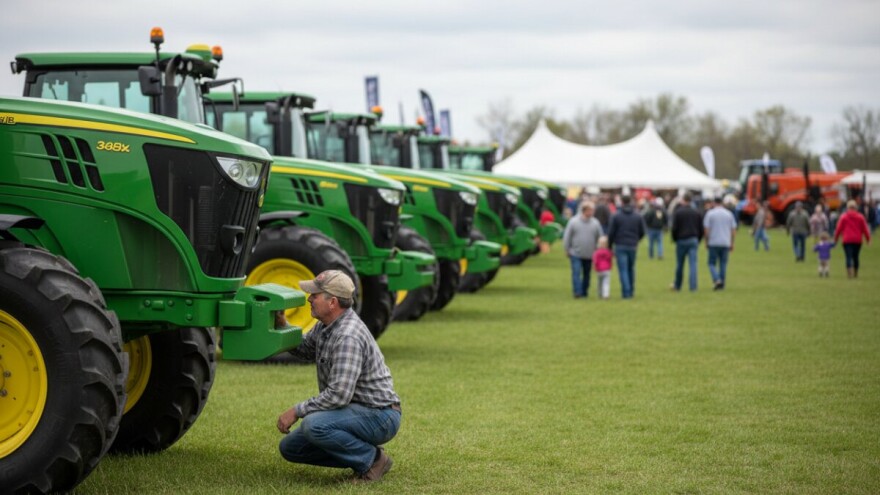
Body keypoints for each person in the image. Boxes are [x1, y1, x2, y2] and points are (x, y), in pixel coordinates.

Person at [276, 270, 402, 483]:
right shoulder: (327, 325)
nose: (309, 299)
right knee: (291, 448)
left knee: (313, 425)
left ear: (332, 302)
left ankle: (372, 461)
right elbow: (306, 349)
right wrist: (283, 326)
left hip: (380, 416)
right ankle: (362, 452)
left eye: (314, 295)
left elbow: (338, 395)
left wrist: (297, 411)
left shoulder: (347, 336)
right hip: (356, 411)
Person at [607, 194, 646, 299]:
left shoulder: (616, 215)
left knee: (623, 269)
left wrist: (609, 246)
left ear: (622, 202)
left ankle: (626, 292)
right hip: (632, 245)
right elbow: (642, 231)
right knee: (630, 268)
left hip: (620, 244)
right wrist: (636, 240)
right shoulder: (637, 216)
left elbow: (611, 232)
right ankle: (631, 290)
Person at [562, 201, 602, 298]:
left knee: (587, 274)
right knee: (576, 272)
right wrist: (567, 249)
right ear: (584, 210)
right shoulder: (573, 221)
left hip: (590, 253)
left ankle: (584, 291)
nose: (591, 213)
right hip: (575, 252)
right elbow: (567, 236)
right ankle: (577, 292)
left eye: (592, 211)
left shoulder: (595, 223)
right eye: (589, 210)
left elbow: (600, 237)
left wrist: (598, 249)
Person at [670, 192, 703, 291]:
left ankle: (678, 285)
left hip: (681, 239)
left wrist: (675, 238)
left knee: (680, 264)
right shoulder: (697, 212)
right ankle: (693, 286)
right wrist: (698, 239)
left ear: (683, 200)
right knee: (693, 264)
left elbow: (674, 228)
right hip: (693, 239)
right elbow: (700, 228)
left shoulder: (678, 212)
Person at [703, 196, 737, 290]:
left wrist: (706, 241)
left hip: (713, 242)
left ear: (714, 203)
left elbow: (706, 229)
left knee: (711, 263)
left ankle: (716, 279)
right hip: (725, 242)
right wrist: (732, 242)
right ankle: (722, 282)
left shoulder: (710, 213)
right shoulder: (729, 214)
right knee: (723, 263)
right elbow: (733, 229)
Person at [833, 200, 872, 278]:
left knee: (848, 256)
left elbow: (838, 229)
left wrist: (836, 239)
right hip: (857, 240)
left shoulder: (844, 217)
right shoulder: (860, 217)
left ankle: (849, 273)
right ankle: (855, 272)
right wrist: (868, 239)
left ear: (848, 207)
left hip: (847, 240)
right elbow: (865, 229)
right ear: (856, 207)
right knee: (856, 256)